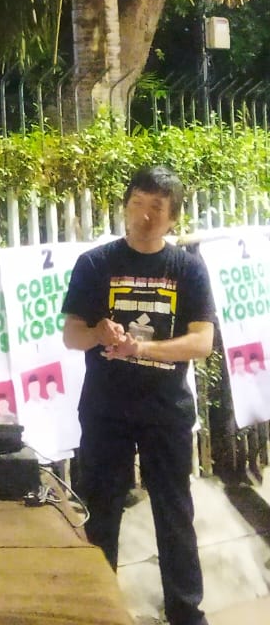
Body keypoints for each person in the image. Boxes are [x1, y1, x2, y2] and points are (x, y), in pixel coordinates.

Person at [62, 165, 216, 625]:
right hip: (105, 409)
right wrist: (98, 332)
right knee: (100, 511)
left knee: (174, 514)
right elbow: (72, 336)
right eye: (137, 204)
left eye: (157, 208)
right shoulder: (95, 264)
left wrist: (142, 348)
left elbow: (202, 342)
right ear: (125, 206)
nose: (144, 216)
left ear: (173, 218)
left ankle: (186, 612)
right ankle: (97, 610)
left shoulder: (187, 268)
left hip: (166, 410)